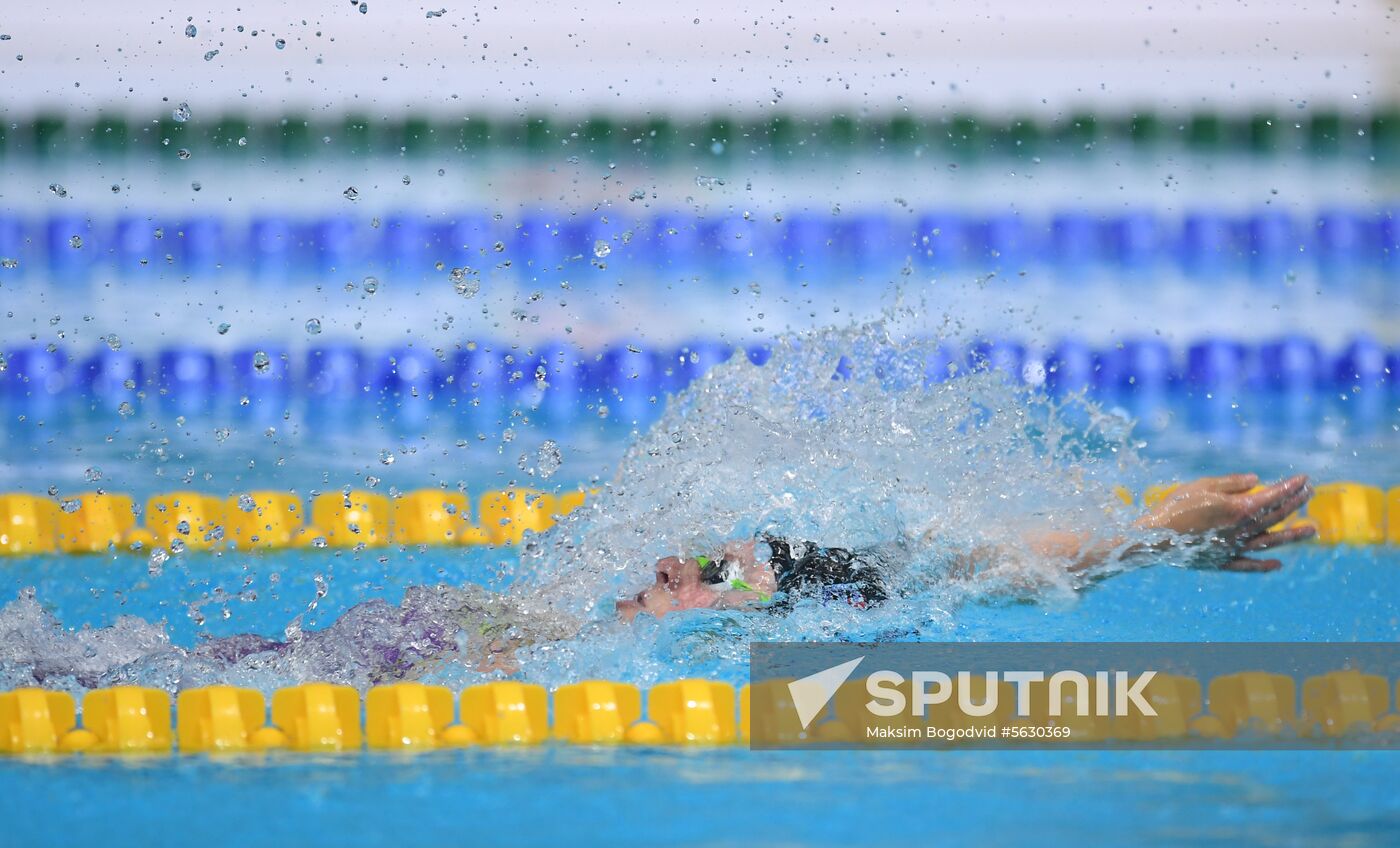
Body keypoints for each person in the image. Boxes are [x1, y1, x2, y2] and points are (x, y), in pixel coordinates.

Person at [614, 473, 1315, 622]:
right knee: (1001, 566)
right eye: (663, 582)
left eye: (672, 576)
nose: (666, 568)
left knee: (992, 566)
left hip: (849, 584)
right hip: (851, 584)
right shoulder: (708, 596)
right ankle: (1167, 534)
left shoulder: (731, 587)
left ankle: (1167, 533)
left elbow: (741, 576)